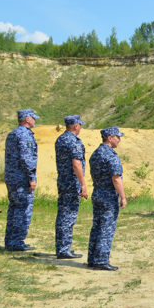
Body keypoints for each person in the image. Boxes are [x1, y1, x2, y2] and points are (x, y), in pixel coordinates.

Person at [87, 126, 127, 271]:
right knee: (106, 228)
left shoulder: (96, 153)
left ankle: (92, 258)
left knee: (97, 226)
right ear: (110, 138)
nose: (119, 140)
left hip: (97, 193)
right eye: (117, 137)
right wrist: (123, 197)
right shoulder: (110, 154)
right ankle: (101, 260)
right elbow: (116, 178)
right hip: (108, 195)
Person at [4, 109, 40, 251]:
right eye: (33, 118)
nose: (35, 120)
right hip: (21, 178)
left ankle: (10, 240)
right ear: (27, 119)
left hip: (12, 177)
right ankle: (16, 242)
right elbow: (26, 159)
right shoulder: (24, 135)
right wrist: (31, 177)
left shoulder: (12, 134)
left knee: (14, 208)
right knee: (22, 209)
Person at [54, 115, 87, 259]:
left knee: (63, 213)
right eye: (80, 125)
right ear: (76, 126)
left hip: (63, 180)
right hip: (72, 182)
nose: (80, 127)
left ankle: (63, 247)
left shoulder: (61, 139)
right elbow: (76, 164)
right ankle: (63, 249)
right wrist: (83, 183)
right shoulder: (73, 141)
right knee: (68, 215)